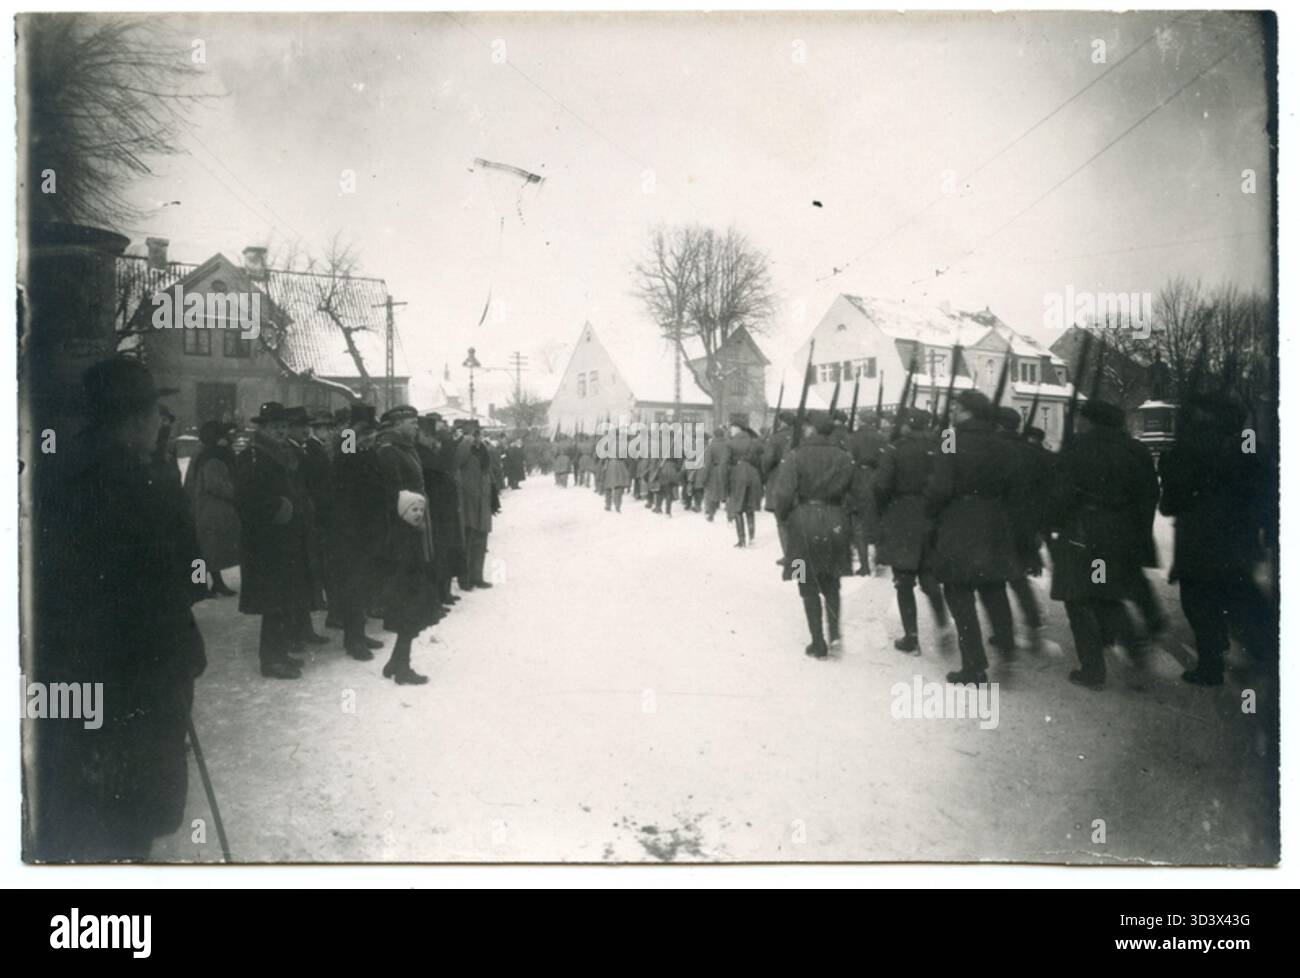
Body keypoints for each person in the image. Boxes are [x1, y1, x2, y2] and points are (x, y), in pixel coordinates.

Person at [30, 358, 206, 861]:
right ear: (133, 419)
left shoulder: (56, 473)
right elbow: (185, 579)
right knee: (136, 801)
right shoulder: (144, 484)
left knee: (89, 791)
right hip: (142, 673)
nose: (160, 424)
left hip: (74, 671)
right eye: (156, 414)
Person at [1158, 392, 1274, 686]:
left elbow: (1170, 503)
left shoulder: (1188, 449)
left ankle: (1210, 668)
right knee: (1241, 600)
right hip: (1239, 542)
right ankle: (1268, 656)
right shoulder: (1249, 445)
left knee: (1200, 604)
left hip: (1198, 541)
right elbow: (1268, 492)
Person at [1046, 399, 1160, 689]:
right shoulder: (1137, 450)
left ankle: (1092, 670)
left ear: (1089, 421)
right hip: (1121, 533)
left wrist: (1054, 524)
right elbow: (1149, 496)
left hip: (1084, 533)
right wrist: (1138, 534)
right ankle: (1134, 647)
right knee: (1106, 594)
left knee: (1080, 598)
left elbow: (1060, 495)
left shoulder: (1077, 448)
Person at [924, 390, 1017, 685]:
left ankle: (974, 666)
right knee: (994, 590)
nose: (951, 411)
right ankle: (1006, 648)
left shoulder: (950, 439)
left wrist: (930, 511)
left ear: (966, 411)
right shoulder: (1001, 442)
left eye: (955, 406)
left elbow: (940, 487)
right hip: (994, 521)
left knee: (960, 595)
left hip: (959, 521)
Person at [235, 401, 318, 679]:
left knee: (285, 598)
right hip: (267, 542)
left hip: (287, 539)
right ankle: (270, 660)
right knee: (273, 601)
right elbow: (247, 499)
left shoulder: (282, 454)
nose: (281, 431)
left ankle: (280, 653)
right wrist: (277, 508)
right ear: (264, 429)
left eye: (283, 426)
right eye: (275, 427)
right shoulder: (254, 456)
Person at [772, 415, 855, 658]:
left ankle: (817, 641)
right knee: (832, 580)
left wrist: (785, 517)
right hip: (836, 521)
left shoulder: (795, 455)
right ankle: (835, 633)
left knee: (805, 581)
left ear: (811, 429)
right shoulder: (844, 456)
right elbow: (856, 492)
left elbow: (783, 495)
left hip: (802, 523)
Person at [874, 407, 950, 654]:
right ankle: (942, 623)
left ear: (907, 424)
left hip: (903, 514)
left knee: (904, 581)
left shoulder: (896, 448)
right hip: (932, 513)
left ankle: (912, 637)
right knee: (929, 575)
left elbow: (881, 485)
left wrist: (884, 510)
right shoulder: (942, 445)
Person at [373, 405, 437, 685]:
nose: (416, 427)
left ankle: (397, 661)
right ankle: (401, 666)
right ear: (397, 424)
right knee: (408, 600)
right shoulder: (388, 450)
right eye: (412, 422)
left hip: (414, 529)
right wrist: (414, 520)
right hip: (403, 536)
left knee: (412, 598)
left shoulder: (404, 447)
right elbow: (395, 495)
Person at [329, 404, 387, 660]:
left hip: (367, 529)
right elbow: (346, 476)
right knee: (353, 587)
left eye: (372, 432)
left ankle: (359, 634)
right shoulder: (348, 447)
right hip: (350, 531)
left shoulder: (366, 451)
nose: (370, 437)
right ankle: (353, 640)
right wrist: (353, 433)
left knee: (363, 585)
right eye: (366, 431)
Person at [185, 420, 241, 597]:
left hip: (202, 505)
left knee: (207, 548)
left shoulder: (208, 452)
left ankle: (213, 583)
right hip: (206, 507)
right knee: (203, 548)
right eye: (225, 436)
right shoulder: (213, 456)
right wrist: (238, 493)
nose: (229, 439)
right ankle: (198, 586)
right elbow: (215, 484)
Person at [846, 411, 889, 575]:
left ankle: (864, 565)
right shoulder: (881, 438)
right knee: (878, 518)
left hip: (858, 479)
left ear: (861, 421)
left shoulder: (853, 438)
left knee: (858, 524)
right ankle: (879, 559)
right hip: (877, 478)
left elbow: (849, 461)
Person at [457, 420, 496, 590]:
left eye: (477, 433)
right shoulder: (462, 449)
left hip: (483, 499)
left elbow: (489, 472)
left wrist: (493, 497)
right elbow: (458, 464)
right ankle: (464, 579)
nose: (476, 437)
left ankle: (477, 576)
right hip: (467, 501)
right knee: (467, 539)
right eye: (472, 434)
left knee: (481, 539)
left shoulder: (484, 450)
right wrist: (466, 442)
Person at [726, 424, 763, 547]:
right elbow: (761, 459)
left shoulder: (730, 443)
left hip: (738, 476)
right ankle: (752, 537)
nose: (730, 431)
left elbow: (727, 463)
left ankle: (741, 540)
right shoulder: (755, 442)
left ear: (737, 429)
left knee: (737, 508)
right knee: (750, 507)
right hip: (753, 475)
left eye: (731, 428)